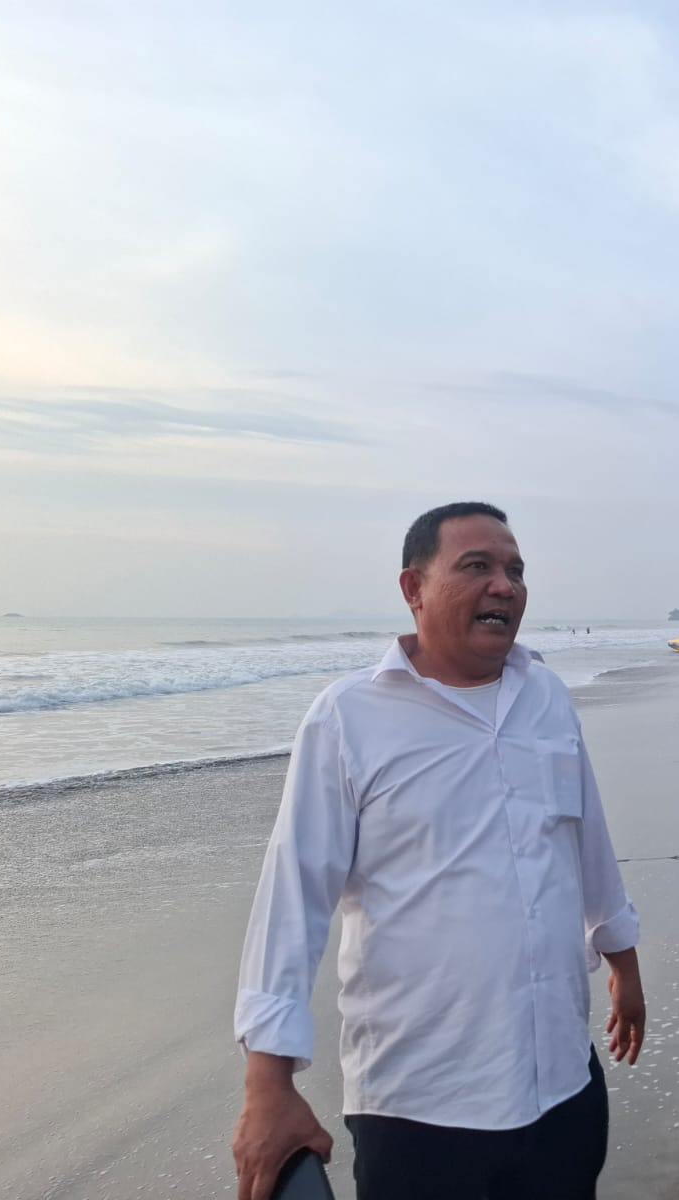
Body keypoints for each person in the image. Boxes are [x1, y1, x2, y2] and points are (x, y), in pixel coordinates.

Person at [231, 501, 645, 1200]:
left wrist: (623, 964)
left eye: (515, 570)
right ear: (413, 588)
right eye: (476, 566)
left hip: (561, 1079)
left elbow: (586, 841)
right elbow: (294, 894)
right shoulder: (349, 716)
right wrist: (267, 1083)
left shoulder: (546, 695)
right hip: (420, 1104)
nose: (505, 585)